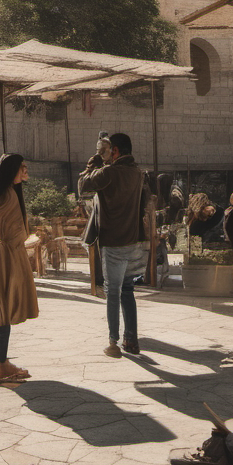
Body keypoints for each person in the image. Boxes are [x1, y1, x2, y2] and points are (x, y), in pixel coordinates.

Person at [78, 131, 150, 357]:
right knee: (127, 290)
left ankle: (113, 342)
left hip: (113, 242)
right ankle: (131, 340)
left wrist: (95, 160)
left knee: (113, 292)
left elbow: (82, 185)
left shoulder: (109, 172)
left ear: (116, 151)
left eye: (109, 150)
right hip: (134, 243)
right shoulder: (137, 173)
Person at [0, 153, 38, 384]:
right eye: (22, 167)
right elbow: (15, 235)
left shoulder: (5, 193)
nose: (26, 170)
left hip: (1, 253)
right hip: (7, 255)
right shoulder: (9, 196)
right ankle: (0, 365)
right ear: (12, 170)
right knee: (4, 312)